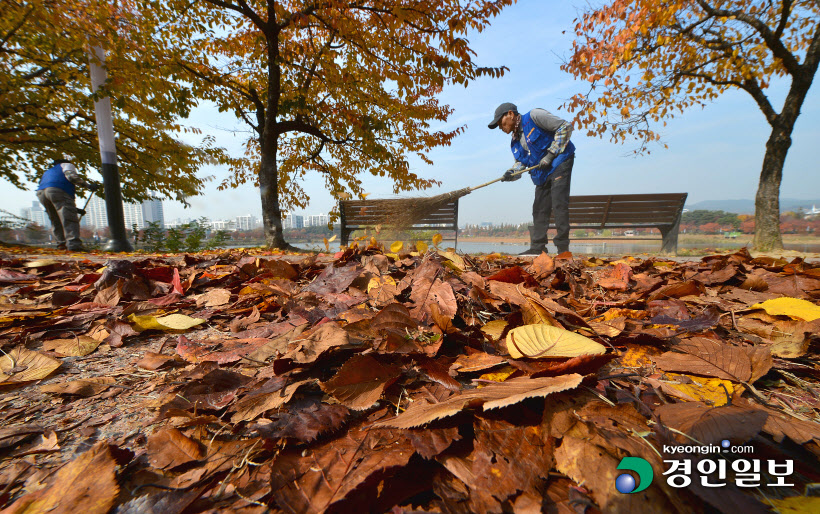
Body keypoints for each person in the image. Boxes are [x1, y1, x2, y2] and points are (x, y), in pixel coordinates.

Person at [489, 102, 575, 255]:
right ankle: (538, 248)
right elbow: (521, 163)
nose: (501, 128)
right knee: (539, 209)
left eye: (500, 123)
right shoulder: (515, 142)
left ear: (510, 114)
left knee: (558, 203)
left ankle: (563, 250)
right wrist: (511, 173)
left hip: (559, 162)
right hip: (541, 173)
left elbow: (565, 127)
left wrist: (550, 155)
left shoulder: (535, 116)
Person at [35, 158, 99, 251]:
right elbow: (71, 177)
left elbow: (59, 205)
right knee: (69, 219)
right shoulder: (66, 165)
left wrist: (75, 209)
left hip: (41, 193)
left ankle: (61, 244)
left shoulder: (48, 172)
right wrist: (88, 186)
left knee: (55, 219)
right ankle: (74, 245)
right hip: (58, 190)